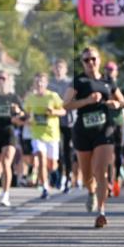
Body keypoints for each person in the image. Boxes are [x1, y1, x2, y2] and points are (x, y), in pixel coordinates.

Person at [63, 46, 124, 228]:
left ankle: (101, 212)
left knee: (101, 171)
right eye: (86, 60)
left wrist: (117, 103)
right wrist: (87, 101)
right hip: (82, 132)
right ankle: (91, 192)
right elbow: (66, 105)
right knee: (87, 176)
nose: (90, 62)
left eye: (93, 59)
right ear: (83, 63)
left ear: (99, 60)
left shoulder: (108, 82)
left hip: (104, 131)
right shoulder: (78, 81)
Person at [23, 72, 66, 200]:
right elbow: (26, 113)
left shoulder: (53, 96)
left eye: (42, 81)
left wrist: (54, 112)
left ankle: (55, 174)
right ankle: (45, 187)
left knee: (52, 164)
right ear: (34, 83)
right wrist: (27, 119)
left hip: (52, 134)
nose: (39, 84)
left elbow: (63, 111)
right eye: (37, 81)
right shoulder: (30, 98)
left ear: (46, 83)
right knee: (41, 158)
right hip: (37, 133)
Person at [0, 71, 22, 207]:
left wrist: (18, 111)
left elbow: (23, 114)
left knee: (6, 162)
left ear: (8, 80)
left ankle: (5, 194)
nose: (1, 80)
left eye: (4, 78)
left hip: (9, 131)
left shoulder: (14, 97)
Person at [103, 60, 124, 197]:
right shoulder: (101, 84)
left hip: (119, 122)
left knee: (118, 154)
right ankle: (108, 182)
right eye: (107, 69)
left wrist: (118, 102)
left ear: (116, 71)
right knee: (108, 154)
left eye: (111, 69)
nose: (109, 71)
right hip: (106, 123)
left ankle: (116, 180)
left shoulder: (123, 86)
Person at [49, 59, 75, 193]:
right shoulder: (50, 84)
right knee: (57, 150)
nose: (58, 70)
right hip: (53, 121)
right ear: (53, 69)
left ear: (65, 70)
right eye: (56, 67)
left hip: (68, 121)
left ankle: (69, 176)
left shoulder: (70, 83)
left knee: (68, 150)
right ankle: (58, 175)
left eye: (61, 67)